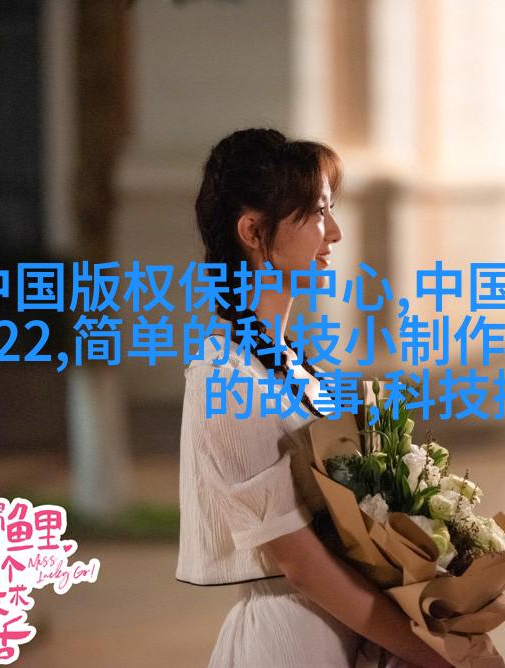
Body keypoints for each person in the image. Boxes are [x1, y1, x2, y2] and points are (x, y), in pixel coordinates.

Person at [175, 128, 449, 667]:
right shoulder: (226, 379)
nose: (335, 232)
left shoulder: (291, 365)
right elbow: (301, 565)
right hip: (290, 643)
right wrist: (432, 653)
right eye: (318, 213)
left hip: (344, 636)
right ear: (253, 231)